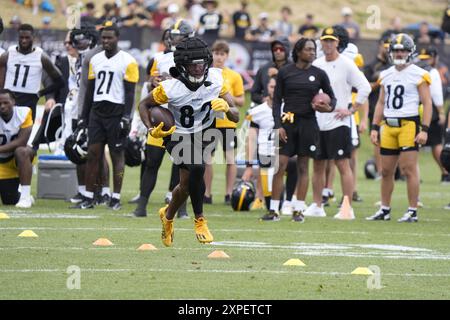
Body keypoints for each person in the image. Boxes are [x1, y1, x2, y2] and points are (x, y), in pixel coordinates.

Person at [139, 37, 239, 246]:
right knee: (197, 167)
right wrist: (150, 128)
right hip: (177, 133)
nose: (198, 69)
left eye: (202, 64)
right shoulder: (169, 88)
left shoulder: (216, 79)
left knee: (185, 185)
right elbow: (143, 105)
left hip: (204, 131)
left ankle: (167, 216)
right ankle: (200, 220)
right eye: (193, 65)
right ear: (183, 66)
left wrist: (228, 109)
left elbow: (236, 115)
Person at [262, 38, 337, 222]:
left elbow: (332, 99)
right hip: (288, 123)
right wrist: (278, 125)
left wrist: (328, 108)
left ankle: (298, 210)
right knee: (280, 166)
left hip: (308, 124)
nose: (312, 52)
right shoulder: (285, 72)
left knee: (304, 167)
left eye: (313, 50)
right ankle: (274, 210)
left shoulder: (319, 74)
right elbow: (277, 100)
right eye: (308, 49)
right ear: (298, 51)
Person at [131, 20, 194, 218]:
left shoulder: (196, 59)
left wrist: (174, 81)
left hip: (183, 116)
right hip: (162, 113)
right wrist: (154, 82)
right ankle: (141, 205)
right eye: (173, 36)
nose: (174, 39)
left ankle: (181, 209)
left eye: (179, 36)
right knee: (152, 161)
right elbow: (151, 86)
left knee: (182, 165)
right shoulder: (160, 58)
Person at [306, 26, 371, 219]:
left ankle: (347, 207)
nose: (327, 44)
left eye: (330, 40)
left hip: (338, 121)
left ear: (337, 43)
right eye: (324, 40)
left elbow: (365, 87)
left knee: (342, 164)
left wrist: (351, 109)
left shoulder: (347, 64)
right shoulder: (316, 64)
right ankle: (317, 205)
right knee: (317, 164)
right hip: (319, 121)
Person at [367, 33, 432, 223]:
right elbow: (380, 102)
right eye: (396, 50)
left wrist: (425, 129)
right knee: (385, 171)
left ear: (410, 52)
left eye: (403, 50)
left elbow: (427, 103)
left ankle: (412, 210)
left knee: (408, 169)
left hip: (409, 124)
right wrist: (374, 126)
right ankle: (384, 209)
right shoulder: (385, 74)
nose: (400, 53)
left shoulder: (419, 74)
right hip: (388, 124)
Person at [76, 22, 139, 210]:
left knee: (117, 155)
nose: (106, 41)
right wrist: (83, 117)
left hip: (116, 111)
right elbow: (90, 91)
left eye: (109, 37)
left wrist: (127, 117)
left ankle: (116, 197)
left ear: (117, 38)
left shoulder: (128, 60)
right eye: (103, 37)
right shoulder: (96, 60)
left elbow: (130, 93)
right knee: (93, 154)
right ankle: (88, 196)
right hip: (97, 111)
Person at [204, 40, 244, 205]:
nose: (219, 57)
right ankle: (207, 193)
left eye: (222, 54)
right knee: (207, 159)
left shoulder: (233, 76)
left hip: (227, 122)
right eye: (216, 53)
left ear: (227, 56)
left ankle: (228, 194)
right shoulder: (206, 73)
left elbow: (241, 100)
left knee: (230, 159)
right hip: (209, 121)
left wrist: (226, 95)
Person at [0, 24, 64, 122]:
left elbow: (60, 81)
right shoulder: (8, 54)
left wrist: (41, 93)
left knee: (26, 134)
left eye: (27, 37)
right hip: (9, 100)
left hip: (30, 101)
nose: (24, 40)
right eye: (21, 37)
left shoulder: (41, 56)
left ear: (33, 38)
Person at [242, 77, 277, 212]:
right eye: (272, 87)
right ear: (267, 88)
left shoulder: (289, 108)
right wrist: (249, 166)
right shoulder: (257, 111)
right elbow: (251, 139)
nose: (275, 90)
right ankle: (260, 198)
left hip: (285, 153)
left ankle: (293, 201)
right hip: (266, 153)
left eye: (277, 86)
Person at [417, 47, 448, 182]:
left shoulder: (413, 68)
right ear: (434, 58)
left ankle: (414, 174)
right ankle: (446, 172)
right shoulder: (433, 71)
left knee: (412, 146)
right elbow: (436, 93)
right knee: (436, 144)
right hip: (430, 112)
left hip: (413, 111)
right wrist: (441, 112)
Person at [0, 89, 35, 208]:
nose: (2, 106)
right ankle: (20, 195)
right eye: (0, 103)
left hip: (17, 158)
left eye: (6, 103)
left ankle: (25, 197)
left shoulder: (23, 113)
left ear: (13, 102)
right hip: (2, 163)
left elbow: (22, 141)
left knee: (22, 150)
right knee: (9, 200)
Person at [363, 36, 392, 179]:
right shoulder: (371, 66)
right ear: (380, 46)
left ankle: (396, 171)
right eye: (385, 45)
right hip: (376, 108)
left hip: (393, 109)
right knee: (378, 141)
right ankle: (380, 171)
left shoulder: (394, 65)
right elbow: (364, 87)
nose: (387, 48)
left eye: (389, 46)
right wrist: (378, 82)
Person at [250, 37, 290, 105]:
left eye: (281, 49)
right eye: (275, 49)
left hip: (288, 109)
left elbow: (299, 91)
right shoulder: (263, 69)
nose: (278, 51)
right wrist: (263, 100)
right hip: (268, 109)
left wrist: (279, 74)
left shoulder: (294, 68)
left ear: (287, 50)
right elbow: (254, 93)